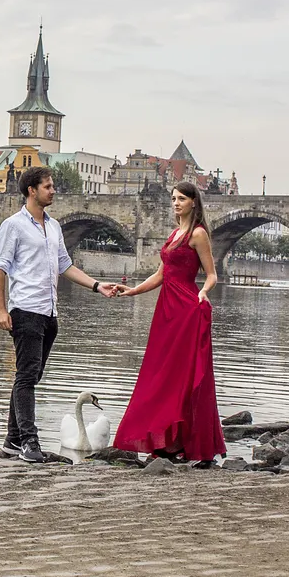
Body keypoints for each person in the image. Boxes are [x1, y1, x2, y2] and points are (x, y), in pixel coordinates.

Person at [0, 166, 119, 463]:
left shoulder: (54, 227)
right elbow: (0, 268)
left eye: (53, 186)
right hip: (25, 309)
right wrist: (1, 309)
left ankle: (12, 440)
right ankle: (29, 441)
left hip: (49, 312)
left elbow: (65, 265)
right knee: (25, 377)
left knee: (31, 376)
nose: (53, 190)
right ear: (31, 191)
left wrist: (97, 286)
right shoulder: (13, 225)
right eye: (48, 186)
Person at [113, 181, 226, 465]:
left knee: (184, 375)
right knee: (162, 373)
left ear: (193, 203)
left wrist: (203, 292)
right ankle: (167, 439)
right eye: (173, 198)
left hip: (188, 309)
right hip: (166, 311)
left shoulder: (198, 234)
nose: (176, 203)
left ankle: (185, 442)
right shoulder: (174, 233)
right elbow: (160, 275)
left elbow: (212, 275)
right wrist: (133, 291)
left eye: (181, 199)